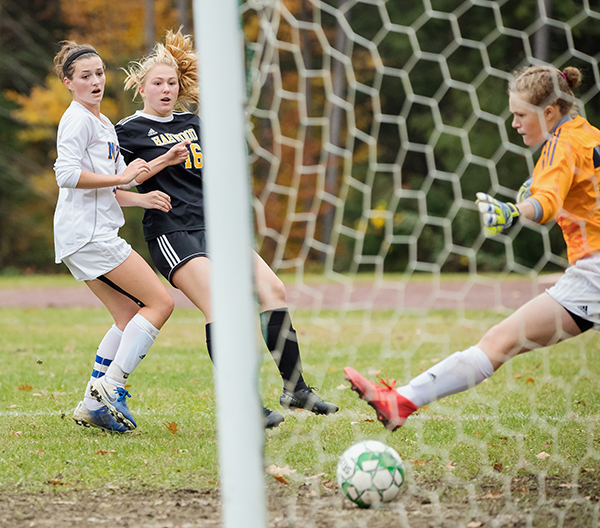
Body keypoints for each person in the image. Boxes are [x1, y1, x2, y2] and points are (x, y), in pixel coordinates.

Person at [345, 64, 600, 431]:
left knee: (499, 341)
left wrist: (514, 211)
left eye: (520, 115)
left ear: (548, 112)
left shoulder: (559, 146)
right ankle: (402, 401)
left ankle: (402, 401)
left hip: (592, 274)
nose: (514, 123)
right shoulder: (584, 132)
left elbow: (544, 204)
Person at [115, 30, 338, 429]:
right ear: (142, 88)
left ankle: (296, 388)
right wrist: (145, 194)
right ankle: (244, 405)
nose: (166, 90)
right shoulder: (127, 131)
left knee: (273, 289)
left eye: (171, 83)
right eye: (157, 84)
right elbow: (112, 187)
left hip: (217, 227)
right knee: (221, 306)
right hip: (173, 231)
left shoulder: (192, 122)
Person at [52, 41, 190, 433]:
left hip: (82, 236)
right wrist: (122, 177)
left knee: (127, 315)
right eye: (85, 76)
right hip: (91, 235)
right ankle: (109, 389)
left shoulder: (102, 124)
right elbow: (66, 175)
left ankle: (90, 401)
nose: (95, 81)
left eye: (99, 73)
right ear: (69, 83)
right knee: (161, 302)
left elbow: (114, 187)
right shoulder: (77, 119)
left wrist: (157, 169)